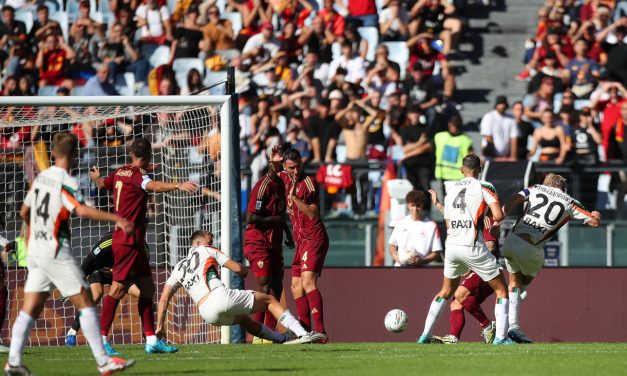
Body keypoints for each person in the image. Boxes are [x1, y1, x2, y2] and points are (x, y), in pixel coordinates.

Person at [5, 132, 135, 375]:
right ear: (76, 154)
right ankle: (103, 361)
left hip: (35, 250)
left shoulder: (41, 178)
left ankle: (13, 362)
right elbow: (82, 211)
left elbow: (24, 212)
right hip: (55, 250)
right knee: (86, 301)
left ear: (52, 153)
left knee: (30, 309)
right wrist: (116, 218)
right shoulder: (67, 181)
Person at [89, 138, 198, 355]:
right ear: (148, 157)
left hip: (135, 244)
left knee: (147, 289)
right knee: (117, 289)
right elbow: (153, 186)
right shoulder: (140, 177)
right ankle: (101, 339)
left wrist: (96, 178)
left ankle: (151, 340)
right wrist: (178, 184)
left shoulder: (121, 172)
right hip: (127, 241)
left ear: (130, 154)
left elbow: (103, 183)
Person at [156, 230, 320, 344]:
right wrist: (243, 270)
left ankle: (281, 339)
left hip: (206, 314)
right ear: (198, 243)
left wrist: (159, 327)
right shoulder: (206, 249)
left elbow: (163, 299)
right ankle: (303, 333)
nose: (212, 242)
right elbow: (238, 269)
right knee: (270, 299)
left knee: (242, 319)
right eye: (209, 239)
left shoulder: (179, 267)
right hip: (219, 297)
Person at [416, 154, 513, 345]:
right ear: (479, 169)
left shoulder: (451, 188)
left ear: (462, 170)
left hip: (451, 246)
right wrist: (494, 223)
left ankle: (424, 335)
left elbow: (449, 221)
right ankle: (501, 338)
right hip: (472, 245)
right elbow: (498, 214)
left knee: (445, 291)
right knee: (502, 289)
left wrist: (437, 205)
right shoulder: (485, 186)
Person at [501, 173, 601, 343]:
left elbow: (516, 198)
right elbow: (594, 222)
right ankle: (512, 320)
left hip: (511, 241)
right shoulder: (569, 201)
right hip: (532, 249)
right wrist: (596, 214)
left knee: (514, 282)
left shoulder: (535, 188)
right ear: (563, 188)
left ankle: (509, 325)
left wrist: (500, 216)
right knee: (521, 286)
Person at [429, 189, 500, 344]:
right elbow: (454, 219)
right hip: (478, 269)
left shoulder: (487, 219)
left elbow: (491, 246)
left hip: (486, 270)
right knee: (456, 302)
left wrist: (470, 262)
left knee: (460, 295)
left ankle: (488, 326)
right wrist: (439, 205)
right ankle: (454, 337)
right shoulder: (472, 217)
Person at [64, 231, 151, 347]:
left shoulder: (143, 248)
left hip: (120, 275)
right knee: (96, 296)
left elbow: (140, 272)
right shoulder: (108, 242)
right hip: (99, 271)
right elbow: (88, 261)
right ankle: (72, 333)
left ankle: (150, 335)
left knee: (144, 296)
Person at [278, 147, 329, 342]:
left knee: (308, 282)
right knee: (295, 286)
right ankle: (305, 331)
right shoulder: (284, 178)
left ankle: (321, 331)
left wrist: (294, 199)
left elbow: (312, 213)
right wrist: (273, 160)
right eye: (291, 168)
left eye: (298, 166)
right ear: (285, 166)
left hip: (314, 238)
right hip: (301, 241)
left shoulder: (309, 183)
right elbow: (273, 171)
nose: (295, 171)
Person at [244, 146, 294, 340]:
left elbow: (280, 215)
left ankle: (269, 334)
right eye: (278, 161)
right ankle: (258, 334)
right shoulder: (262, 185)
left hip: (274, 242)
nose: (281, 165)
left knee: (277, 288)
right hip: (258, 242)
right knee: (264, 288)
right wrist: (274, 221)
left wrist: (287, 233)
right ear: (271, 163)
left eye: (283, 162)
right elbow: (250, 217)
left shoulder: (280, 185)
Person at [388, 190, 442, 267]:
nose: (415, 209)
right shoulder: (400, 223)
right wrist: (397, 258)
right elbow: (392, 245)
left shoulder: (431, 225)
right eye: (412, 205)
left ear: (422, 205)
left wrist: (422, 261)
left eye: (418, 205)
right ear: (408, 206)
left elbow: (436, 252)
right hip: (400, 267)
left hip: (421, 269)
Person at [480, 96, 519, 161]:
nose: (502, 106)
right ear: (496, 105)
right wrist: (495, 157)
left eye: (503, 104)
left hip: (505, 157)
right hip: (489, 157)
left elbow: (513, 139)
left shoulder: (511, 119)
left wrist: (513, 157)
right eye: (500, 104)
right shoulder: (489, 117)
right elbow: (488, 138)